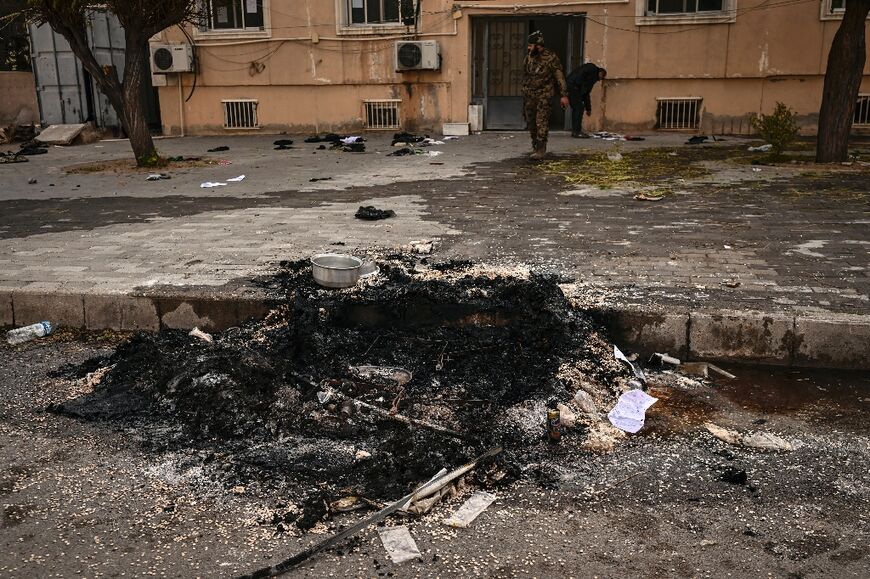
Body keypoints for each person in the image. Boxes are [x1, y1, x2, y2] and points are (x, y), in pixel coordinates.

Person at [522, 31, 569, 159]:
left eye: (531, 45)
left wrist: (564, 95)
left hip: (544, 95)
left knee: (541, 122)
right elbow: (526, 75)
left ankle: (541, 149)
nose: (528, 48)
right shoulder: (529, 57)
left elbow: (560, 77)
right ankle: (535, 146)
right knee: (531, 122)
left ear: (538, 45)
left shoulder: (551, 58)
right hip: (530, 95)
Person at [566, 62, 606, 138]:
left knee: (578, 108)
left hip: (573, 87)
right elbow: (582, 71)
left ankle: (576, 131)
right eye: (602, 77)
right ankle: (576, 131)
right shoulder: (593, 68)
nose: (600, 79)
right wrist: (578, 83)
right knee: (579, 108)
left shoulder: (592, 80)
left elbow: (586, 94)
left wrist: (588, 108)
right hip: (572, 86)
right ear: (601, 72)